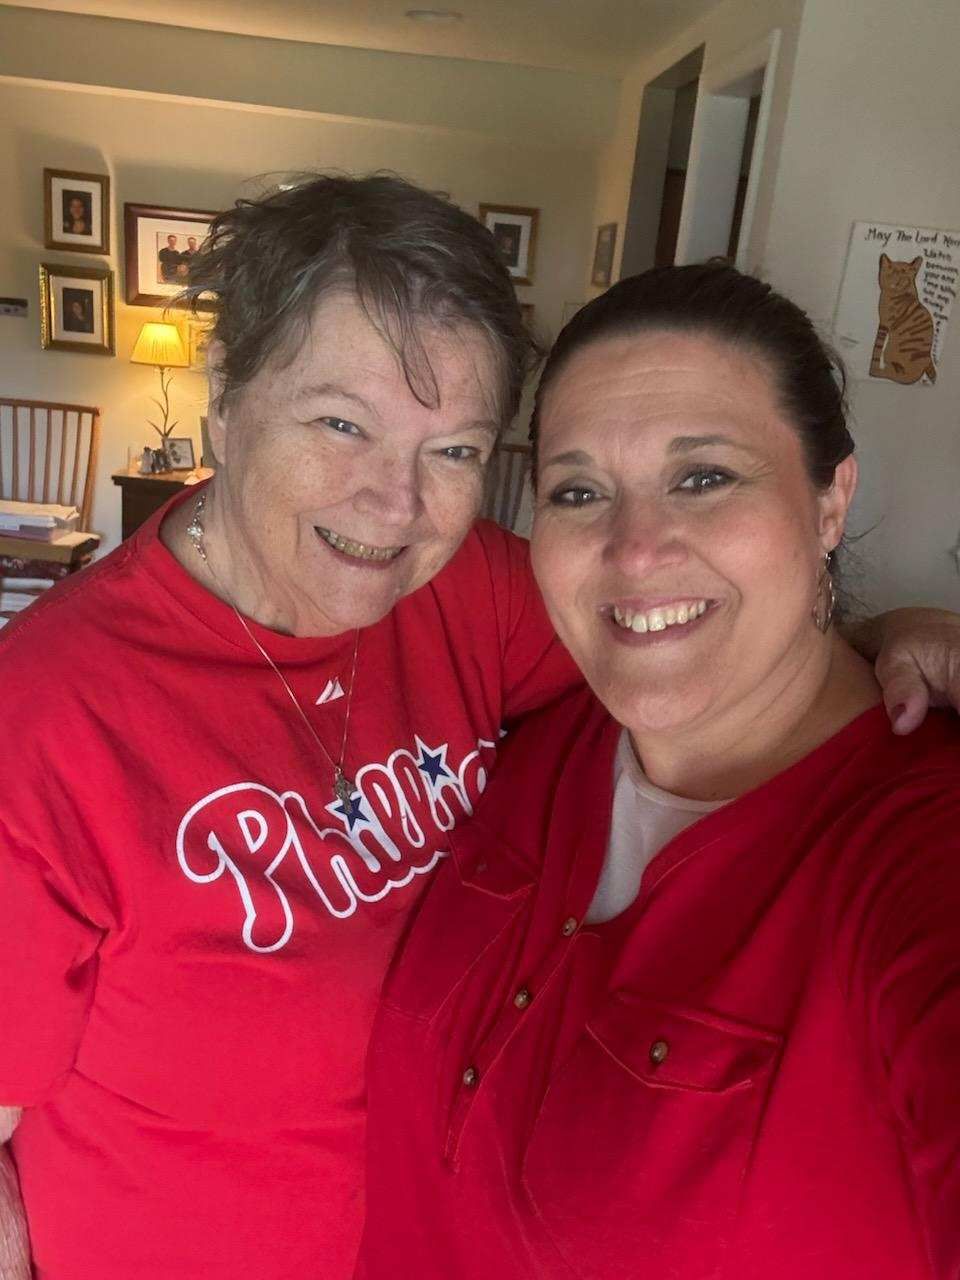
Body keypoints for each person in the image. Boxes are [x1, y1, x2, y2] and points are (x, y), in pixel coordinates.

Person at [0, 178, 954, 1280]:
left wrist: (893, 631)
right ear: (227, 393)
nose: (392, 503)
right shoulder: (48, 712)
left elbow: (693, 642)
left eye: (454, 450)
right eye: (340, 423)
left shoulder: (472, 594)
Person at [358, 264, 960, 1279]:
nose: (633, 552)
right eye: (579, 490)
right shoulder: (540, 732)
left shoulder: (918, 857)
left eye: (704, 476)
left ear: (828, 501)